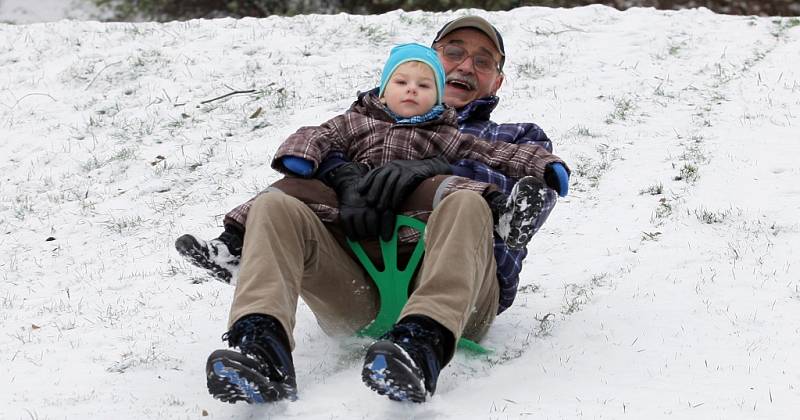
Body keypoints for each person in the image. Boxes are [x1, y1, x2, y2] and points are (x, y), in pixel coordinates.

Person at [183, 16, 571, 404]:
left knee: (467, 201)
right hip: (358, 288)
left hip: (461, 302)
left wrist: (432, 170)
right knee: (276, 204)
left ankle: (422, 348)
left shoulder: (517, 137)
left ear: (497, 81)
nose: (466, 66)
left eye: (483, 61)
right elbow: (313, 148)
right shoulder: (362, 123)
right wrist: (341, 175)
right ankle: (261, 347)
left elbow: (528, 204)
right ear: (431, 59)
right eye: (454, 53)